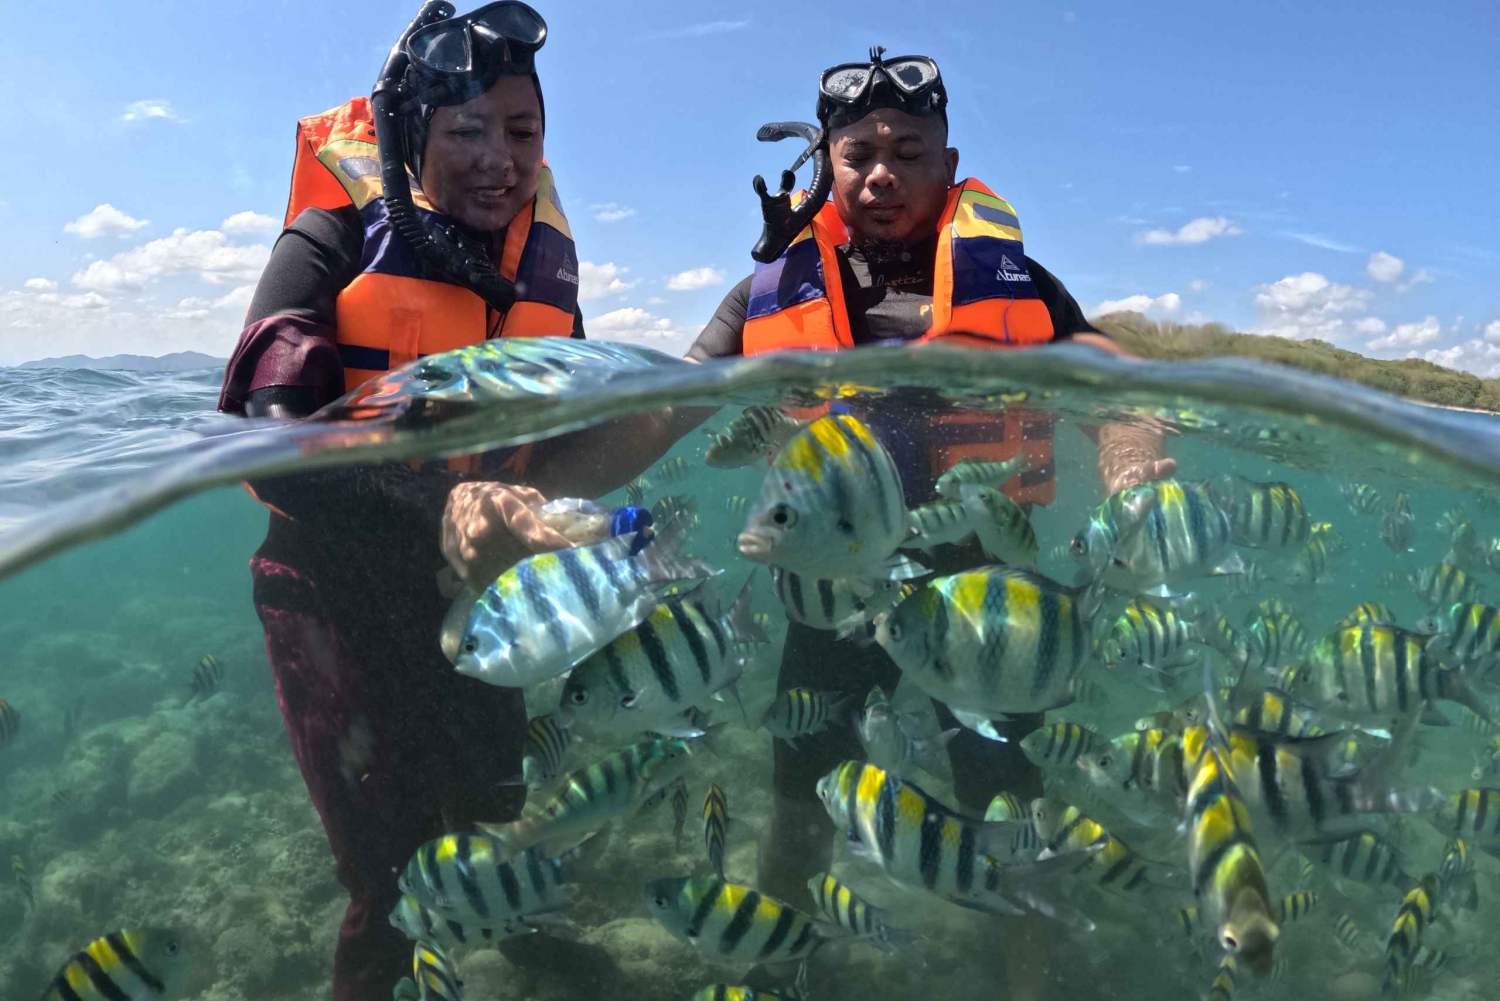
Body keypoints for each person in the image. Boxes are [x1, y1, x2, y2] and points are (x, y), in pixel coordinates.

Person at [216, 4, 656, 997]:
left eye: (522, 132)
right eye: (467, 130)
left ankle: (514, 936)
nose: (500, 159)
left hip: (475, 596)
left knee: (499, 806)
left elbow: (560, 437)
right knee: (389, 874)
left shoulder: (544, 270)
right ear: (412, 129)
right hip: (328, 592)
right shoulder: (329, 239)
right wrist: (436, 503)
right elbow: (266, 431)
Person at [687, 49, 1175, 907]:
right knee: (800, 800)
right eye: (859, 155)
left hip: (983, 587)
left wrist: (1126, 456)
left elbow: (1116, 383)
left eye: (908, 154)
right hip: (833, 584)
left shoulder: (1015, 279)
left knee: (1014, 813)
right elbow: (667, 395)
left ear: (947, 166)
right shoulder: (764, 290)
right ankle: (779, 962)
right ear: (824, 165)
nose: (882, 175)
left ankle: (1020, 974)